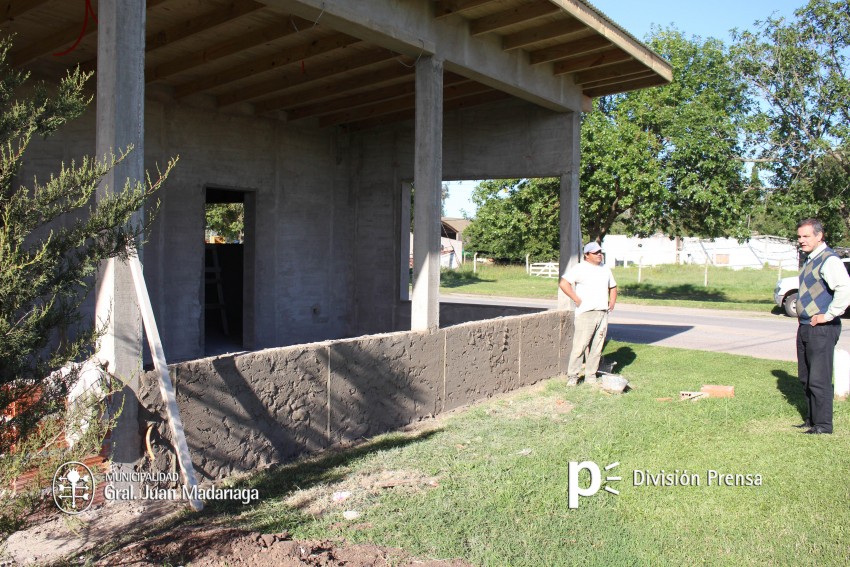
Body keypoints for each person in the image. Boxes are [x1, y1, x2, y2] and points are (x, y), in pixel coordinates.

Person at [794, 218, 850, 434]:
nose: (801, 240)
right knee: (806, 377)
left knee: (819, 379)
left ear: (819, 236)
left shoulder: (829, 260)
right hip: (807, 326)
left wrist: (829, 315)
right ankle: (811, 420)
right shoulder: (810, 259)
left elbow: (845, 288)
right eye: (799, 236)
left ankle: (823, 425)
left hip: (822, 328)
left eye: (806, 236)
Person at [559, 242, 617, 385]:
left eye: (600, 252)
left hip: (602, 312)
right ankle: (573, 377)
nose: (599, 255)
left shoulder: (605, 269)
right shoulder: (579, 268)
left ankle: (591, 376)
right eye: (595, 253)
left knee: (597, 347)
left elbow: (613, 286)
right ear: (587, 255)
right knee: (580, 346)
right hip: (586, 313)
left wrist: (612, 302)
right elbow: (564, 283)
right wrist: (576, 299)